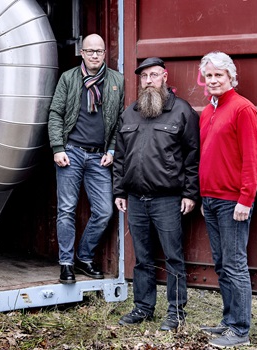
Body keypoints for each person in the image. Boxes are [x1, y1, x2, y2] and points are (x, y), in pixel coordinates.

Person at [113, 57, 200, 331]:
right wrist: (120, 191)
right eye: (144, 77)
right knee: (143, 257)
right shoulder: (130, 113)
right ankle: (143, 307)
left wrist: (190, 193)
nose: (149, 80)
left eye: (153, 75)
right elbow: (120, 157)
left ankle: (175, 312)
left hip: (168, 200)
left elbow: (193, 157)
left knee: (173, 256)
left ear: (164, 76)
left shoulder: (182, 111)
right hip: (136, 200)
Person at [47, 34, 125, 284]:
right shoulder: (69, 78)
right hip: (71, 152)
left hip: (98, 157)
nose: (94, 55)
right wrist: (58, 147)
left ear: (104, 54)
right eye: (89, 51)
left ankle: (83, 256)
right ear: (82, 52)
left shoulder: (116, 80)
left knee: (104, 211)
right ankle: (67, 263)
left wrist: (111, 150)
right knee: (66, 210)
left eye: (99, 51)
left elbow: (120, 120)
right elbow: (56, 113)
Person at [197, 51, 257, 348]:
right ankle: (228, 320)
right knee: (222, 264)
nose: (213, 80)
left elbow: (253, 159)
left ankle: (240, 330)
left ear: (230, 77)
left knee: (235, 265)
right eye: (208, 75)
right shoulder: (207, 111)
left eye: (218, 75)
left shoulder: (243, 109)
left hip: (232, 202)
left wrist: (245, 199)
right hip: (210, 200)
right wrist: (203, 195)